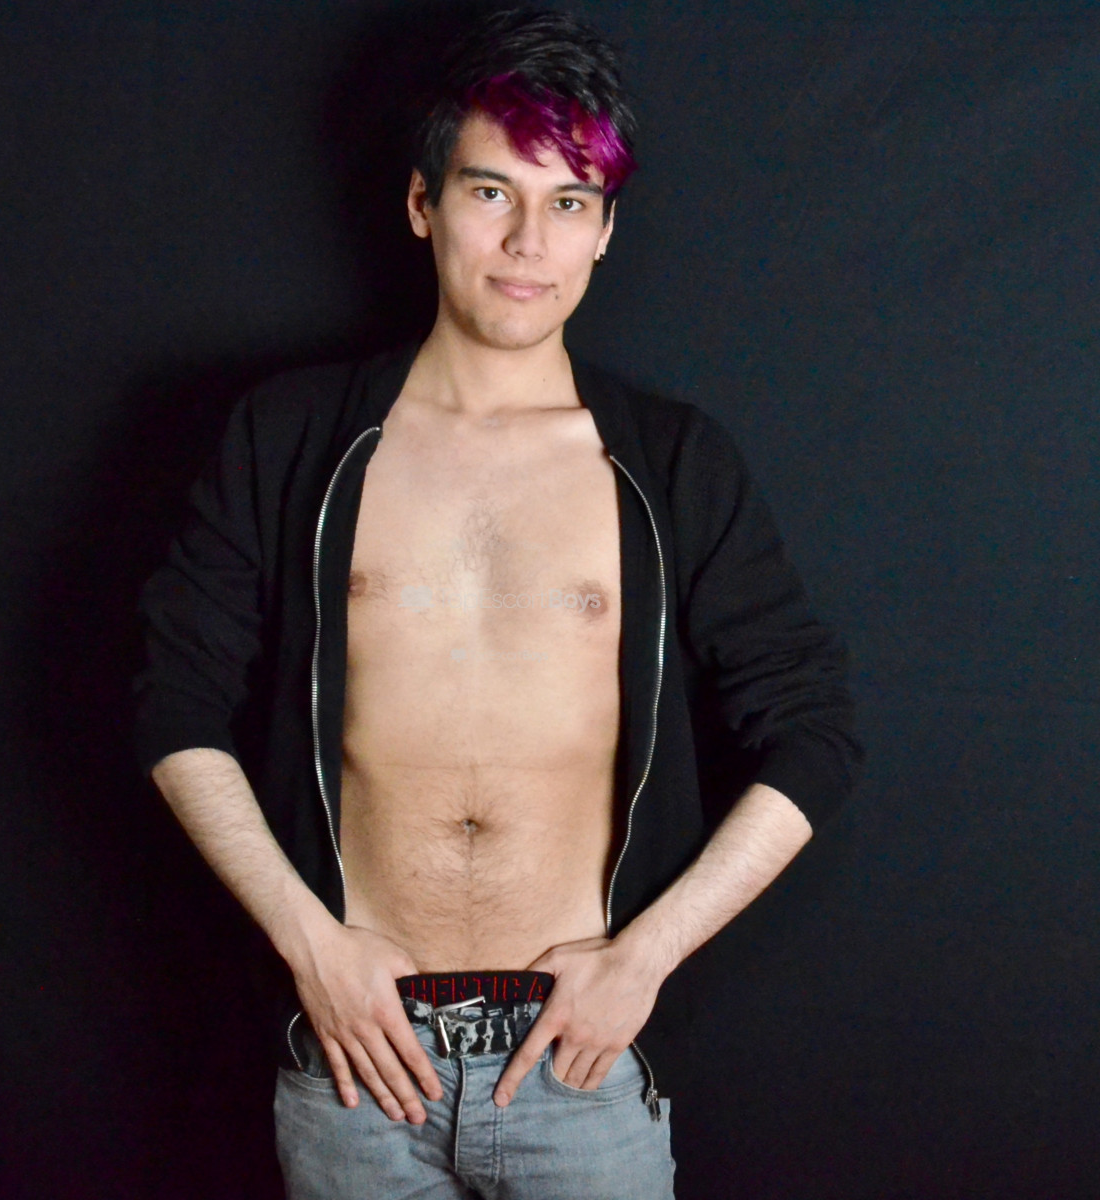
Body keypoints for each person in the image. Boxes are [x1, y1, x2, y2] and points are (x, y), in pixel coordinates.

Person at [134, 8, 861, 1198]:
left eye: (569, 202)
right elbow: (175, 702)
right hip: (356, 1059)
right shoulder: (292, 435)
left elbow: (813, 730)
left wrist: (645, 959)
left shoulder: (669, 461)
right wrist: (311, 949)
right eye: (491, 193)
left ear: (606, 231)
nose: (529, 241)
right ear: (422, 203)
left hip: (580, 1064)